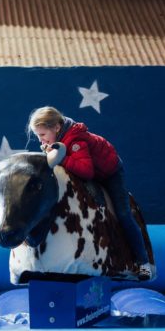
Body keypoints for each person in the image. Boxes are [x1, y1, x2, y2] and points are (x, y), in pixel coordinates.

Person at [27, 106, 151, 280]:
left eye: (42, 135)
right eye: (38, 136)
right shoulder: (57, 139)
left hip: (109, 173)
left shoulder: (76, 140)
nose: (41, 140)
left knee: (123, 214)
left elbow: (86, 172)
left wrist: (61, 157)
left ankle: (143, 263)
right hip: (91, 171)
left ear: (56, 127)